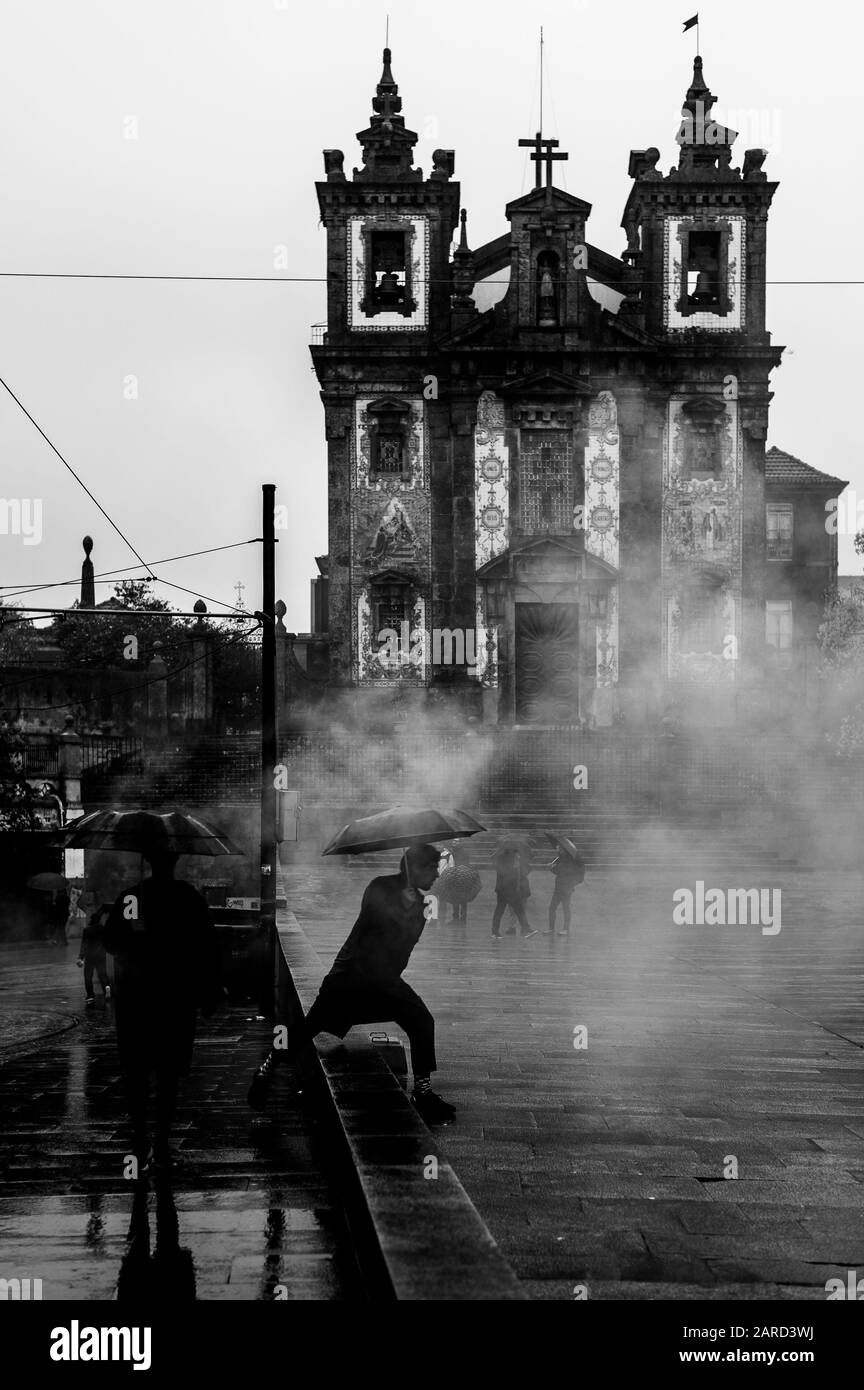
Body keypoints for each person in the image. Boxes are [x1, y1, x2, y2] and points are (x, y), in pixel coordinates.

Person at [247, 843, 456, 1124]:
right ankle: (266, 1069)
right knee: (312, 1024)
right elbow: (372, 922)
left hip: (383, 980)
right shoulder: (379, 887)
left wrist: (411, 911)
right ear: (412, 867)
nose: (436, 874)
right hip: (351, 977)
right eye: (430, 867)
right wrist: (400, 907)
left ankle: (422, 1090)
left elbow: (404, 946)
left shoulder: (421, 904)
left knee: (420, 1020)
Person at [100, 848, 223, 1171]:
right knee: (169, 1074)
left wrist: (136, 933)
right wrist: (210, 991)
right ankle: (162, 1139)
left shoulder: (132, 898)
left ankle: (141, 1137)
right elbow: (207, 946)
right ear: (176, 862)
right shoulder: (189, 898)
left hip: (137, 1000)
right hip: (175, 999)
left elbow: (111, 942)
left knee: (137, 1072)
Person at [491, 845, 536, 939]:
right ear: (512, 853)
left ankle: (525, 929)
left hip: (506, 890)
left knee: (514, 910)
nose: (518, 855)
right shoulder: (506, 860)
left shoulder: (505, 859)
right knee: (507, 910)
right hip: (506, 890)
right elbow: (505, 874)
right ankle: (525, 929)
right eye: (517, 853)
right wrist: (515, 867)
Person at [77, 902, 112, 1006]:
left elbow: (84, 944)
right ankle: (107, 990)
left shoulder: (87, 930)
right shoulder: (103, 929)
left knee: (88, 976)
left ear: (91, 920)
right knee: (103, 974)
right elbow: (107, 941)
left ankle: (90, 995)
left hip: (90, 956)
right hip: (101, 955)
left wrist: (80, 957)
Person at [545, 848, 586, 936]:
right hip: (558, 887)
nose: (557, 848)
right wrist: (551, 868)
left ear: (564, 850)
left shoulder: (571, 860)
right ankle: (551, 929)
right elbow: (559, 872)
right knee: (552, 908)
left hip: (567, 888)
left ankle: (565, 929)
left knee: (565, 908)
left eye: (559, 847)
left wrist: (571, 884)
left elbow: (568, 873)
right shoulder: (560, 858)